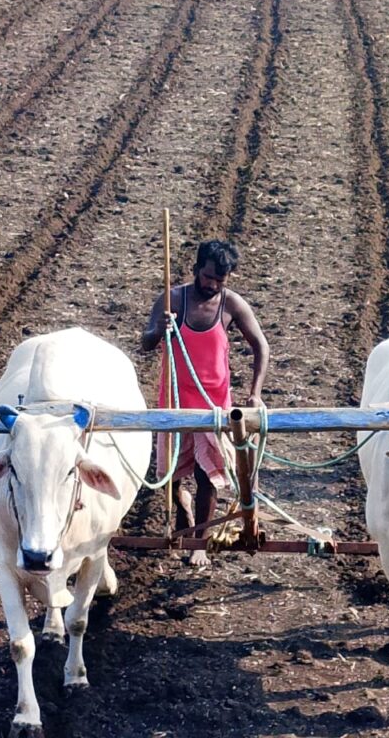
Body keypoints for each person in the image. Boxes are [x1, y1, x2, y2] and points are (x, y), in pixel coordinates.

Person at [141, 240, 269, 567]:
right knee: (169, 475)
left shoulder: (231, 304)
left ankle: (200, 541)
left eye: (220, 280)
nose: (212, 285)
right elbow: (145, 342)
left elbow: (261, 347)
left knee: (206, 476)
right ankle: (183, 511)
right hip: (174, 403)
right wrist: (160, 328)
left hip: (214, 406)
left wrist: (255, 391)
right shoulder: (173, 300)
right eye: (209, 277)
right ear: (197, 269)